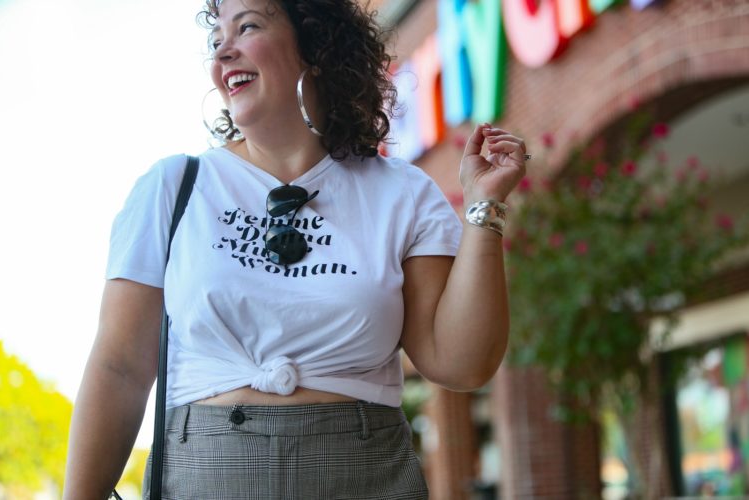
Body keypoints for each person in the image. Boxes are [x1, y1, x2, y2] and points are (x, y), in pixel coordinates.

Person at [62, 0, 528, 498]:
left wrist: (485, 211)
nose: (223, 52)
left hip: (366, 478)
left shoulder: (402, 193)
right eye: (217, 39)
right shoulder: (173, 188)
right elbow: (119, 367)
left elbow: (459, 363)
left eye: (248, 27)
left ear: (314, 45)